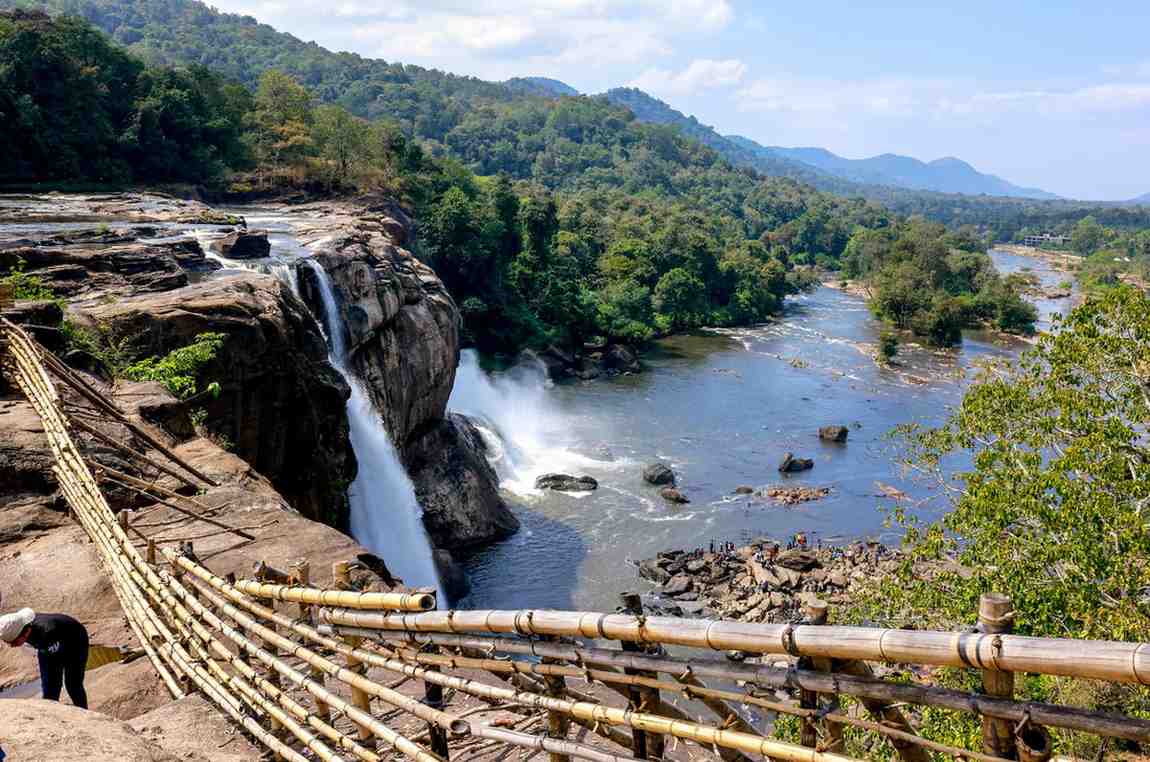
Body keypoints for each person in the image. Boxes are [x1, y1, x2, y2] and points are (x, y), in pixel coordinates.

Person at [0, 608, 89, 709]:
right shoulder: (15, 625)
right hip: (47, 643)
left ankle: (84, 712)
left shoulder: (47, 631)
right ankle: (50, 715)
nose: (11, 646)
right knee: (49, 688)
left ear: (26, 632)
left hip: (75, 640)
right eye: (8, 642)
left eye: (14, 642)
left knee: (73, 684)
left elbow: (54, 664)